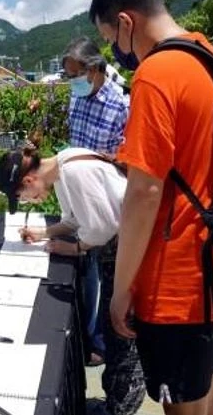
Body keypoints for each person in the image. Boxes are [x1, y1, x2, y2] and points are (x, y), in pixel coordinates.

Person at [89, 0, 213, 415]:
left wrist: (119, 293)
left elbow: (144, 193)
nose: (116, 51)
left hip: (177, 283)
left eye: (111, 38)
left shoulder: (157, 73)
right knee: (211, 394)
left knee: (184, 408)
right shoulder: (207, 55)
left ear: (126, 21)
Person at [0, 146, 145, 415]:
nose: (29, 200)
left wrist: (74, 248)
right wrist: (43, 232)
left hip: (130, 252)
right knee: (114, 329)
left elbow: (101, 228)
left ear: (29, 180)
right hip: (121, 249)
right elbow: (74, 221)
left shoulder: (74, 172)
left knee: (123, 331)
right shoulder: (63, 166)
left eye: (23, 196)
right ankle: (113, 402)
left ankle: (120, 409)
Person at [61, 36, 130, 368]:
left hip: (109, 205)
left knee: (102, 276)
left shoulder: (121, 104)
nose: (72, 82)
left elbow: (134, 159)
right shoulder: (77, 99)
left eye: (75, 74)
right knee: (86, 271)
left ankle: (100, 344)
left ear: (94, 69)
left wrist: (113, 157)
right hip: (80, 200)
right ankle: (87, 337)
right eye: (68, 76)